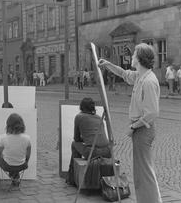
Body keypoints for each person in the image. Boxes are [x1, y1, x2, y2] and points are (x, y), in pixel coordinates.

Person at [99, 43, 162, 203]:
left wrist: (133, 126)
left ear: (140, 59)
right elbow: (124, 74)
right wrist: (108, 65)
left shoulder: (148, 81)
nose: (132, 57)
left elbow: (152, 113)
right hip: (140, 130)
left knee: (144, 172)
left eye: (134, 54)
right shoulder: (140, 76)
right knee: (142, 172)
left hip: (142, 130)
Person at [66, 97, 111, 186]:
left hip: (93, 152)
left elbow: (77, 139)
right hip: (107, 151)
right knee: (79, 145)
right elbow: (100, 136)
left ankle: (73, 177)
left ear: (81, 107)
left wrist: (85, 139)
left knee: (74, 144)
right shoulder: (98, 117)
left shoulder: (79, 117)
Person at [0, 113, 31, 186]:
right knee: (15, 155)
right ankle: (15, 178)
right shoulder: (27, 138)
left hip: (8, 166)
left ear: (8, 125)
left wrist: (0, 147)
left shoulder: (3, 138)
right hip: (22, 165)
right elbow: (28, 155)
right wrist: (25, 162)